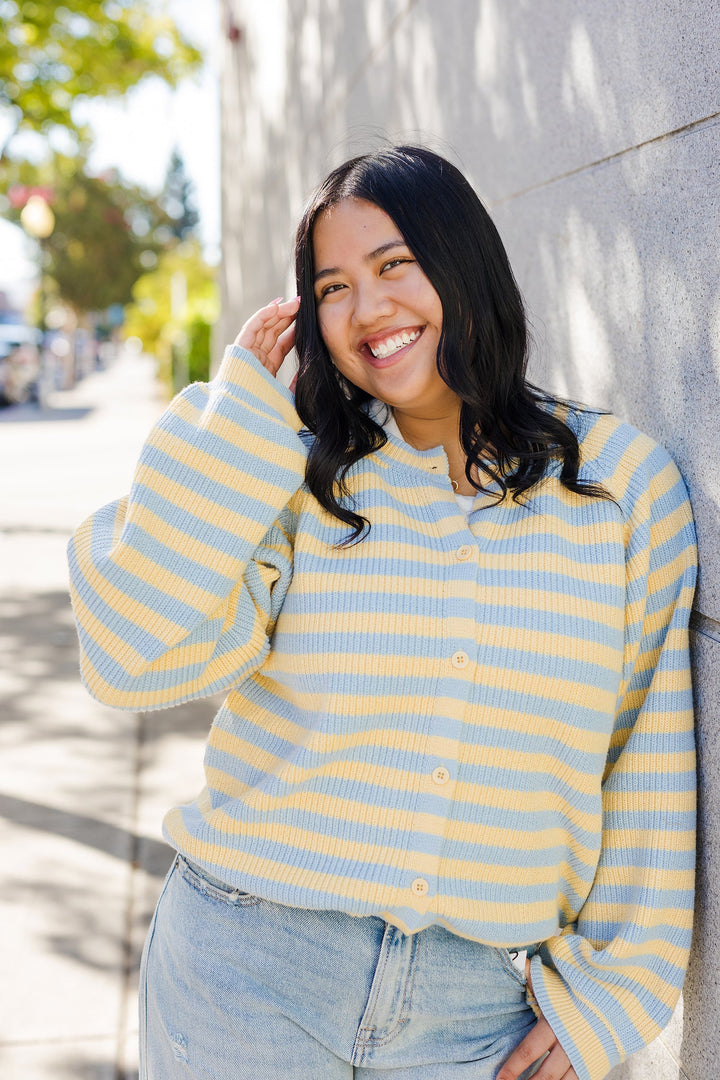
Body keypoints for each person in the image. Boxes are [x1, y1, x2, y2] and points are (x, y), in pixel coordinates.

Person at [67, 146, 697, 1080]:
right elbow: (127, 654)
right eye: (332, 287)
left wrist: (609, 999)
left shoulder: (620, 487)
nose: (368, 310)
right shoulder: (301, 482)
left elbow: (648, 763)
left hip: (478, 1013)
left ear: (463, 260)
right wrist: (241, 422)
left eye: (394, 265)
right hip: (246, 976)